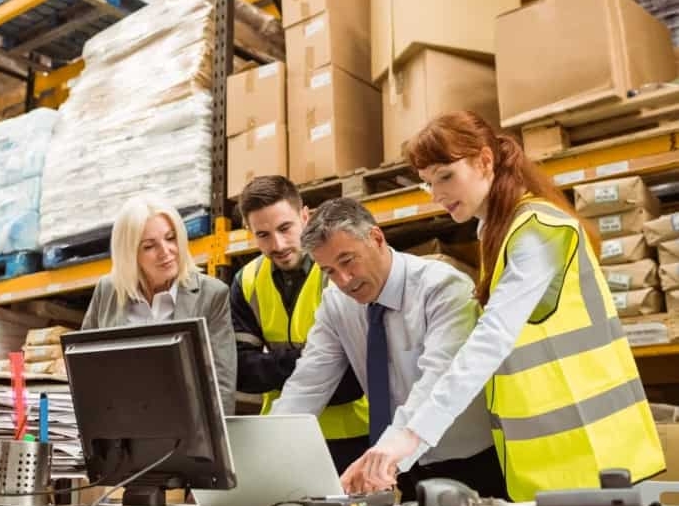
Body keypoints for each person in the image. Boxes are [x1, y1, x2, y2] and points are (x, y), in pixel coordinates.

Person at [356, 110, 664, 501]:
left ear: (485, 161)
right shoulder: (498, 233)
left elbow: (491, 341)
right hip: (551, 460)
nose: (437, 194)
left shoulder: (537, 232)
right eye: (428, 183)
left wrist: (411, 438)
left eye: (446, 176)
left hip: (595, 455)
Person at [270, 197, 507, 501]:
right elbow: (308, 382)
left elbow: (437, 383)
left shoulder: (443, 288)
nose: (343, 281)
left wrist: (386, 454)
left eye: (347, 261)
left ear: (377, 238)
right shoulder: (337, 303)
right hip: (397, 464)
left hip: (466, 459)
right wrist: (269, 452)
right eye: (329, 271)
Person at [230, 176, 370, 473]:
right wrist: (318, 362)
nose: (277, 244)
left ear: (305, 216)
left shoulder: (338, 272)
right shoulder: (247, 282)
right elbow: (241, 372)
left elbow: (351, 379)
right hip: (285, 433)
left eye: (285, 228)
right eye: (263, 235)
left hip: (353, 435)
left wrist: (271, 367)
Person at [81, 195, 237, 415]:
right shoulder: (107, 290)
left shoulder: (212, 295)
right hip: (121, 428)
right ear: (130, 254)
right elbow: (85, 369)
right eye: (149, 246)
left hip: (187, 429)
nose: (166, 252)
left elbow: (221, 385)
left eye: (170, 238)